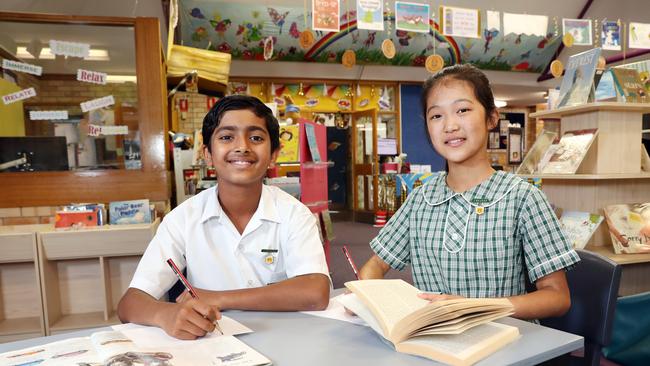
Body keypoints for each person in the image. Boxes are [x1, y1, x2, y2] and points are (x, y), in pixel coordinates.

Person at [359, 64, 580, 320]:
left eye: (462, 110)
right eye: (436, 116)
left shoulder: (522, 198)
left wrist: (477, 307)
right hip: (434, 339)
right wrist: (377, 303)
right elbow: (375, 264)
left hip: (502, 343)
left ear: (492, 118)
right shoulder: (421, 198)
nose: (450, 125)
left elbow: (557, 297)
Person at [118, 95, 330, 339]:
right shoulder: (183, 219)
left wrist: (217, 297)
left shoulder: (294, 213)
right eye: (227, 137)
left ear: (274, 154)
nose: (242, 147)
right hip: (213, 344)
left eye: (256, 138)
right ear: (207, 154)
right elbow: (129, 303)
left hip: (286, 339)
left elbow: (315, 292)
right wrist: (165, 315)